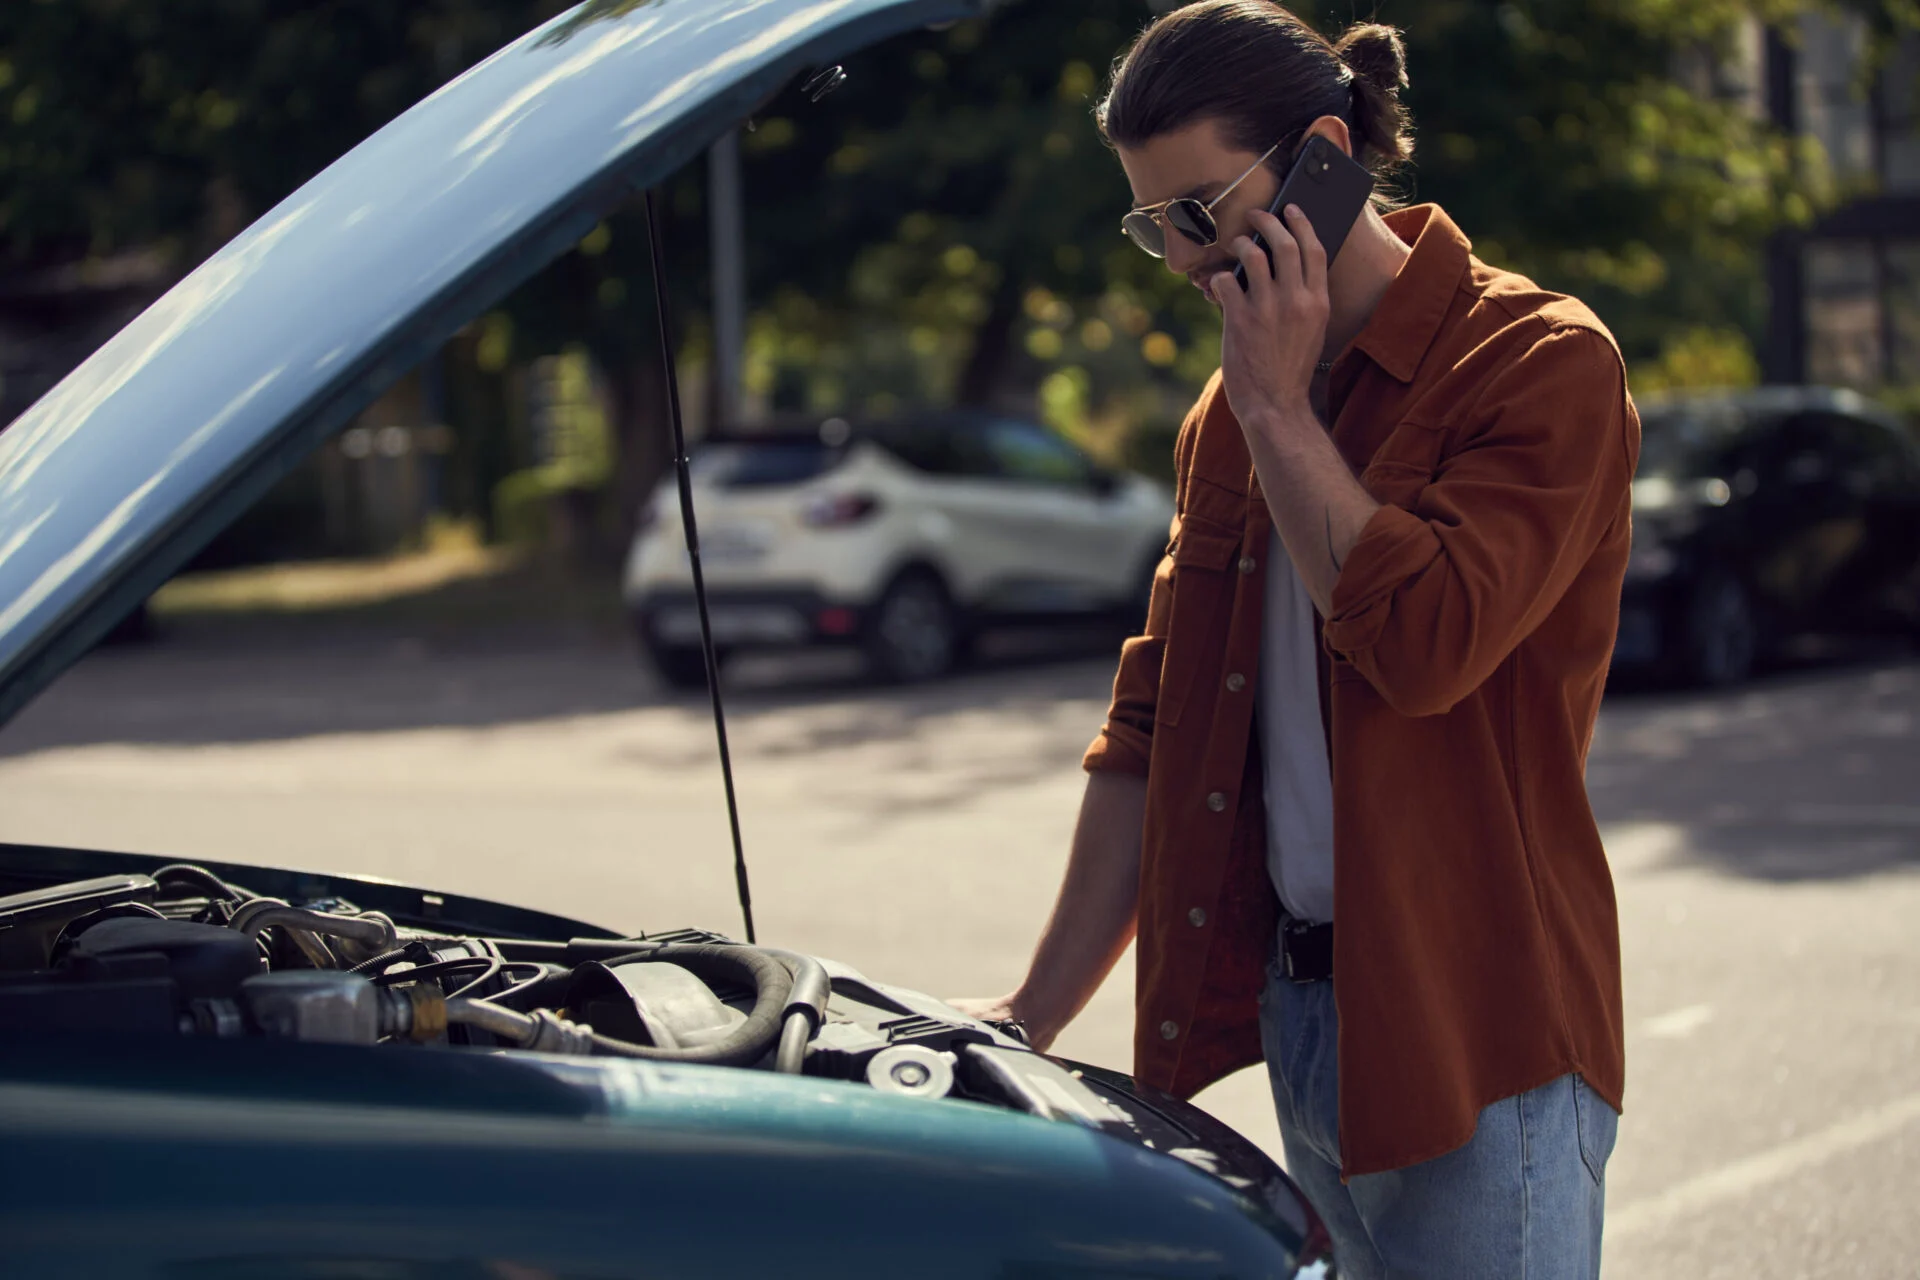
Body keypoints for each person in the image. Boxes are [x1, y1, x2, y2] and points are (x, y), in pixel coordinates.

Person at [953, 3, 1637, 1275]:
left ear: (1326, 153)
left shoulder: (1539, 363)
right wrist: (1031, 1010)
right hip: (1302, 1014)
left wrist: (1279, 406)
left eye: (1200, 212)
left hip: (1478, 1029)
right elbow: (1157, 722)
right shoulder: (1233, 411)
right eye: (1153, 225)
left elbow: (1426, 644)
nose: (1182, 260)